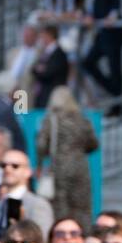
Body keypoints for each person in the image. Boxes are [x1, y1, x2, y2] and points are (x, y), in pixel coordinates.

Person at [36, 86, 98, 229]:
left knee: (60, 207)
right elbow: (93, 143)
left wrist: (40, 164)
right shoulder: (82, 119)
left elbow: (41, 145)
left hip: (59, 166)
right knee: (81, 207)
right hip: (80, 166)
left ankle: (61, 234)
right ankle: (83, 236)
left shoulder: (51, 120)